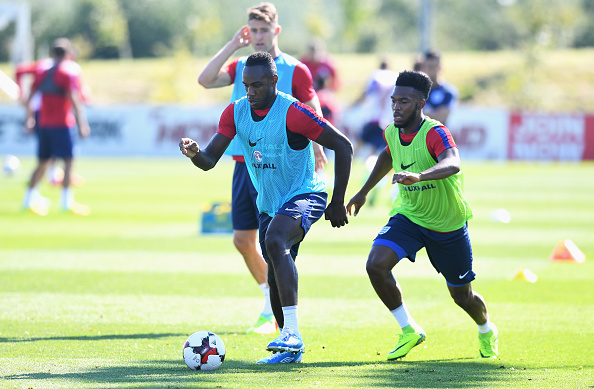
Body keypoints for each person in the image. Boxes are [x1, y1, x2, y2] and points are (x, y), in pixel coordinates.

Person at [180, 51, 353, 364]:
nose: (250, 91)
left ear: (274, 81)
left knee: (274, 242)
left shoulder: (294, 112)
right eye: (246, 85)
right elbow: (208, 161)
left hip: (307, 193)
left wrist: (338, 200)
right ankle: (290, 348)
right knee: (273, 272)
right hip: (269, 204)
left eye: (257, 85)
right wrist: (194, 153)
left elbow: (343, 145)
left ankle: (292, 333)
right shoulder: (235, 113)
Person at [346, 70, 498, 361]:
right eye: (394, 101)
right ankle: (409, 330)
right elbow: (388, 155)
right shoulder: (392, 130)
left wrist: (419, 175)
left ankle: (486, 328)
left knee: (462, 296)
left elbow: (453, 163)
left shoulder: (435, 132)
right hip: (410, 216)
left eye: (404, 101)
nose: (396, 107)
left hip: (447, 224)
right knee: (376, 265)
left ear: (420, 102)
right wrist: (364, 191)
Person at [197, 2, 327, 335]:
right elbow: (205, 79)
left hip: (280, 164)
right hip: (244, 163)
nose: (257, 36)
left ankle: (281, 315)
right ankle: (271, 299)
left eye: (263, 30)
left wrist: (317, 144)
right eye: (252, 30)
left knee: (277, 241)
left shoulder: (295, 69)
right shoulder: (241, 64)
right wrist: (232, 44)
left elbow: (312, 107)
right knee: (243, 240)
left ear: (276, 31)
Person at [22, 38, 91, 216]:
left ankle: (28, 200)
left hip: (44, 123)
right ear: (68, 54)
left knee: (42, 163)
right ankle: (66, 203)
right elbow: (75, 100)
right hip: (62, 124)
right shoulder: (67, 74)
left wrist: (29, 119)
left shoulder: (42, 73)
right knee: (69, 162)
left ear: (52, 54)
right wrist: (82, 124)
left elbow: (30, 97)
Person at [350, 58, 397, 157]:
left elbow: (366, 93)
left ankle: (351, 160)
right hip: (388, 119)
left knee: (361, 142)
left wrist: (354, 104)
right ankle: (371, 164)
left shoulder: (375, 76)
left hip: (373, 117)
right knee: (379, 147)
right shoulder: (395, 76)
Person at [416, 49, 458, 125]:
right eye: (427, 66)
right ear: (422, 68)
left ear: (440, 67)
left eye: (433, 67)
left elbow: (441, 117)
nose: (430, 70)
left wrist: (418, 113)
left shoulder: (448, 91)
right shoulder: (416, 90)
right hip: (417, 136)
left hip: (438, 135)